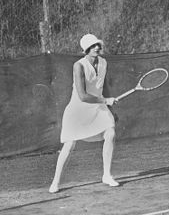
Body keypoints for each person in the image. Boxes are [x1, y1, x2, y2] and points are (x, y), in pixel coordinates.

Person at [49, 34, 119, 193]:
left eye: (98, 45)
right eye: (93, 46)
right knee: (69, 145)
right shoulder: (78, 66)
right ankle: (55, 181)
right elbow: (82, 95)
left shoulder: (103, 63)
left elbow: (103, 88)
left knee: (111, 133)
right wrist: (106, 101)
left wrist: (110, 108)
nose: (97, 48)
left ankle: (107, 175)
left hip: (98, 107)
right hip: (78, 110)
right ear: (85, 49)